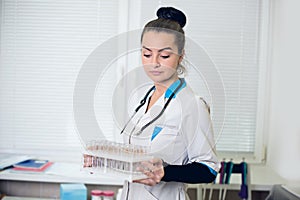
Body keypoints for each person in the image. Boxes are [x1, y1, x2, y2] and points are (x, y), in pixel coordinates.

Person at [119, 7, 220, 200]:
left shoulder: (192, 105)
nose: (154, 62)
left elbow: (209, 169)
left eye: (164, 56)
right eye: (147, 54)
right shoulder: (141, 100)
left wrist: (166, 172)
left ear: (180, 56)